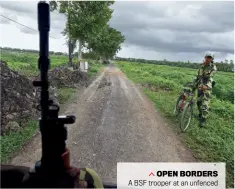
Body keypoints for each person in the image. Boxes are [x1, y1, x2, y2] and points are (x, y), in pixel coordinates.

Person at [196, 53, 217, 127]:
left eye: (210, 58)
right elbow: (199, 75)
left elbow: (210, 77)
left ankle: (203, 119)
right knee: (198, 102)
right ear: (205, 57)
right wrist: (196, 82)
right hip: (200, 85)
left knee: (205, 103)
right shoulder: (201, 66)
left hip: (207, 86)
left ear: (212, 59)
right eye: (207, 57)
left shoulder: (213, 67)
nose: (208, 59)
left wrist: (206, 86)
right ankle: (200, 114)